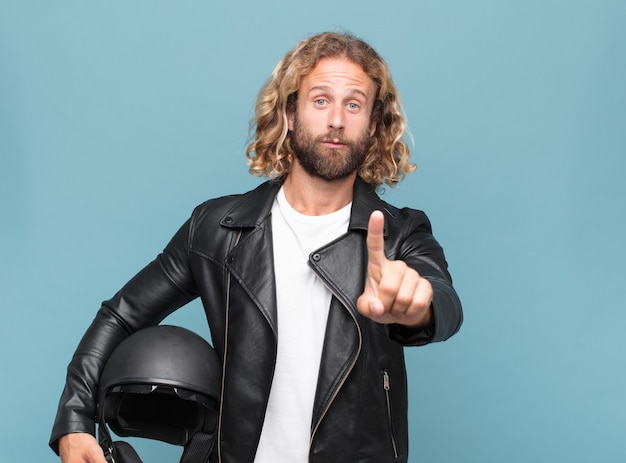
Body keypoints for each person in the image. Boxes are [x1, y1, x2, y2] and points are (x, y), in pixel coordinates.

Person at [50, 31, 463, 463]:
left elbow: (445, 302)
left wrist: (419, 307)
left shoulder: (399, 235)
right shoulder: (216, 228)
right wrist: (74, 421)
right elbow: (122, 314)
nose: (337, 119)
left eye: (354, 104)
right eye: (321, 100)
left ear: (374, 123)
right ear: (289, 112)